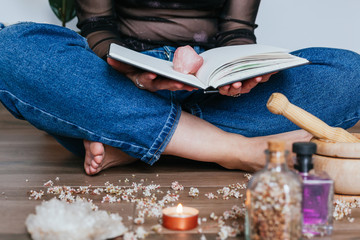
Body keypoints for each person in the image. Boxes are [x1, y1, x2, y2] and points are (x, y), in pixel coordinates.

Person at [0, 0, 359, 176]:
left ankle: (133, 141)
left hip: (206, 78)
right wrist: (132, 73)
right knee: (11, 47)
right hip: (122, 76)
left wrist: (241, 70)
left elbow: (236, 30)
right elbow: (97, 26)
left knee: (349, 73)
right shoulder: (125, 74)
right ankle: (232, 148)